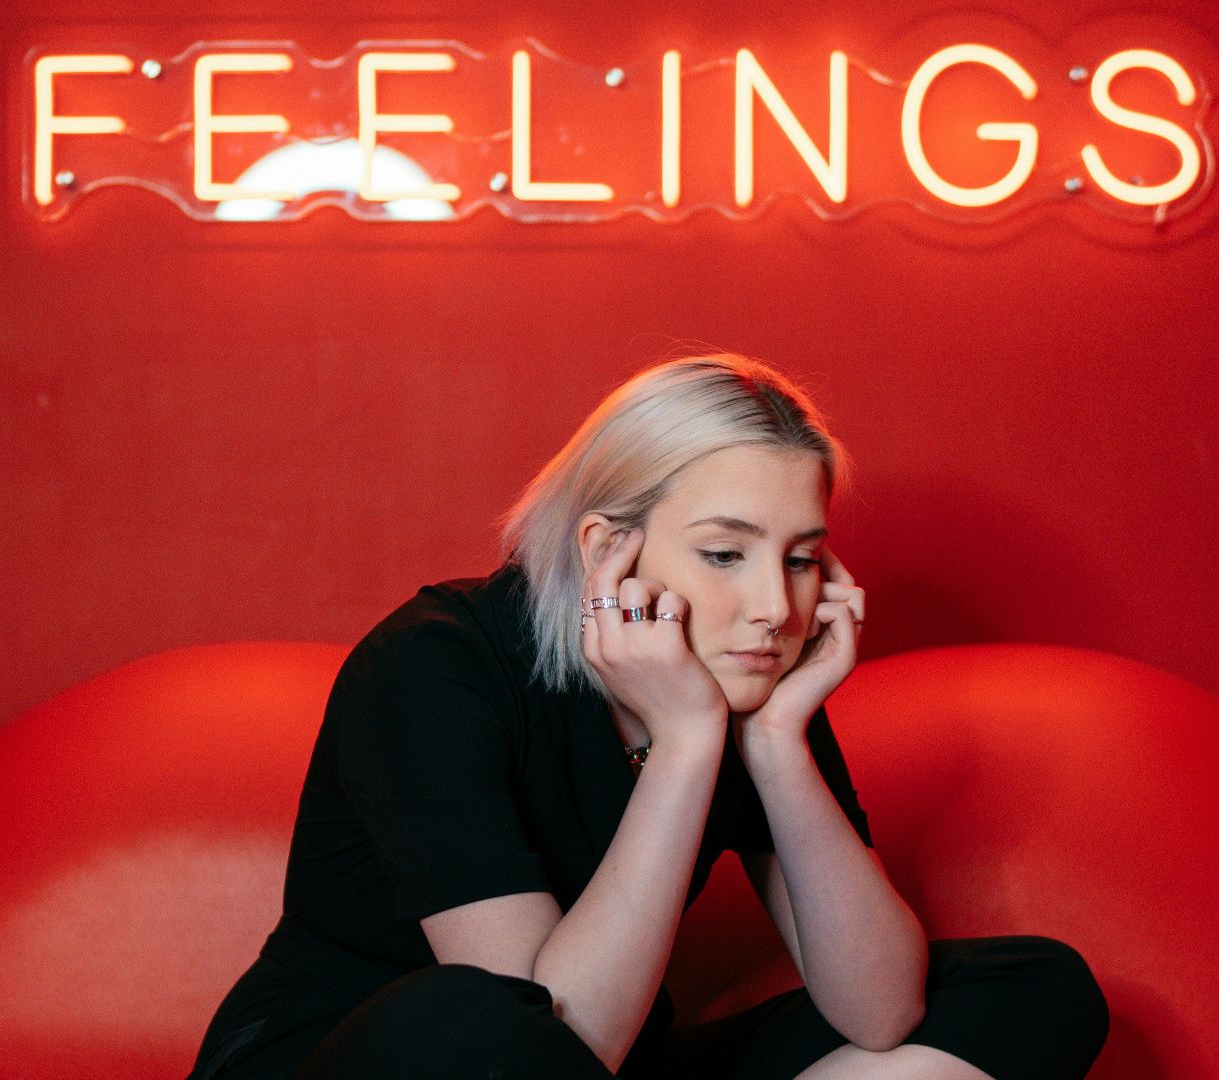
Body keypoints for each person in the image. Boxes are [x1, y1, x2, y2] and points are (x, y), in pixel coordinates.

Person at [186, 352, 1109, 1080]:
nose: (775, 610)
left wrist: (778, 742)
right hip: (388, 1058)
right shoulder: (434, 663)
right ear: (609, 552)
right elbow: (547, 1032)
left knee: (1037, 990)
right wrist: (686, 744)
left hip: (613, 1056)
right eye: (723, 554)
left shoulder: (747, 671)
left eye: (799, 560)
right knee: (469, 1018)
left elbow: (879, 1013)